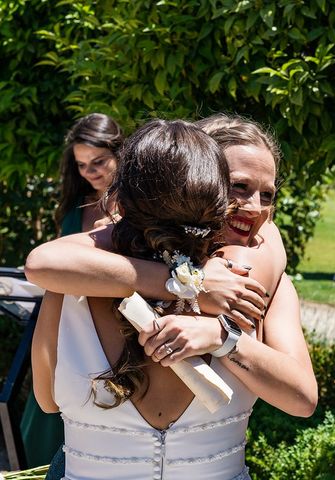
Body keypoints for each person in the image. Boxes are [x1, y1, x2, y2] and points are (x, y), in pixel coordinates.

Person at [27, 119, 316, 479]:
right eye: (238, 187)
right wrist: (186, 283)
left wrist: (222, 338)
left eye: (268, 195)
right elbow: (41, 262)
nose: (255, 208)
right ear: (197, 178)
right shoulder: (78, 273)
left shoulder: (255, 277)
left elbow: (302, 398)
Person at [19, 113, 124, 469]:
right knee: (45, 404)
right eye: (81, 165)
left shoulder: (136, 208)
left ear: (119, 153)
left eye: (98, 162)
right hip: (59, 318)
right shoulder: (75, 207)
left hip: (107, 323)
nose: (90, 172)